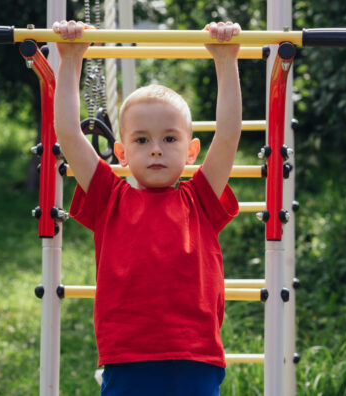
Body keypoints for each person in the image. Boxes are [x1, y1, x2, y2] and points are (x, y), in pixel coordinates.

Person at [53, 19, 242, 396]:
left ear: (191, 152)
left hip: (195, 355)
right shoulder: (110, 196)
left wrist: (225, 61)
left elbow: (228, 134)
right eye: (142, 139)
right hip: (128, 354)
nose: (156, 148)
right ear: (121, 154)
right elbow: (69, 134)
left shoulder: (199, 198)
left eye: (169, 138)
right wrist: (71, 60)